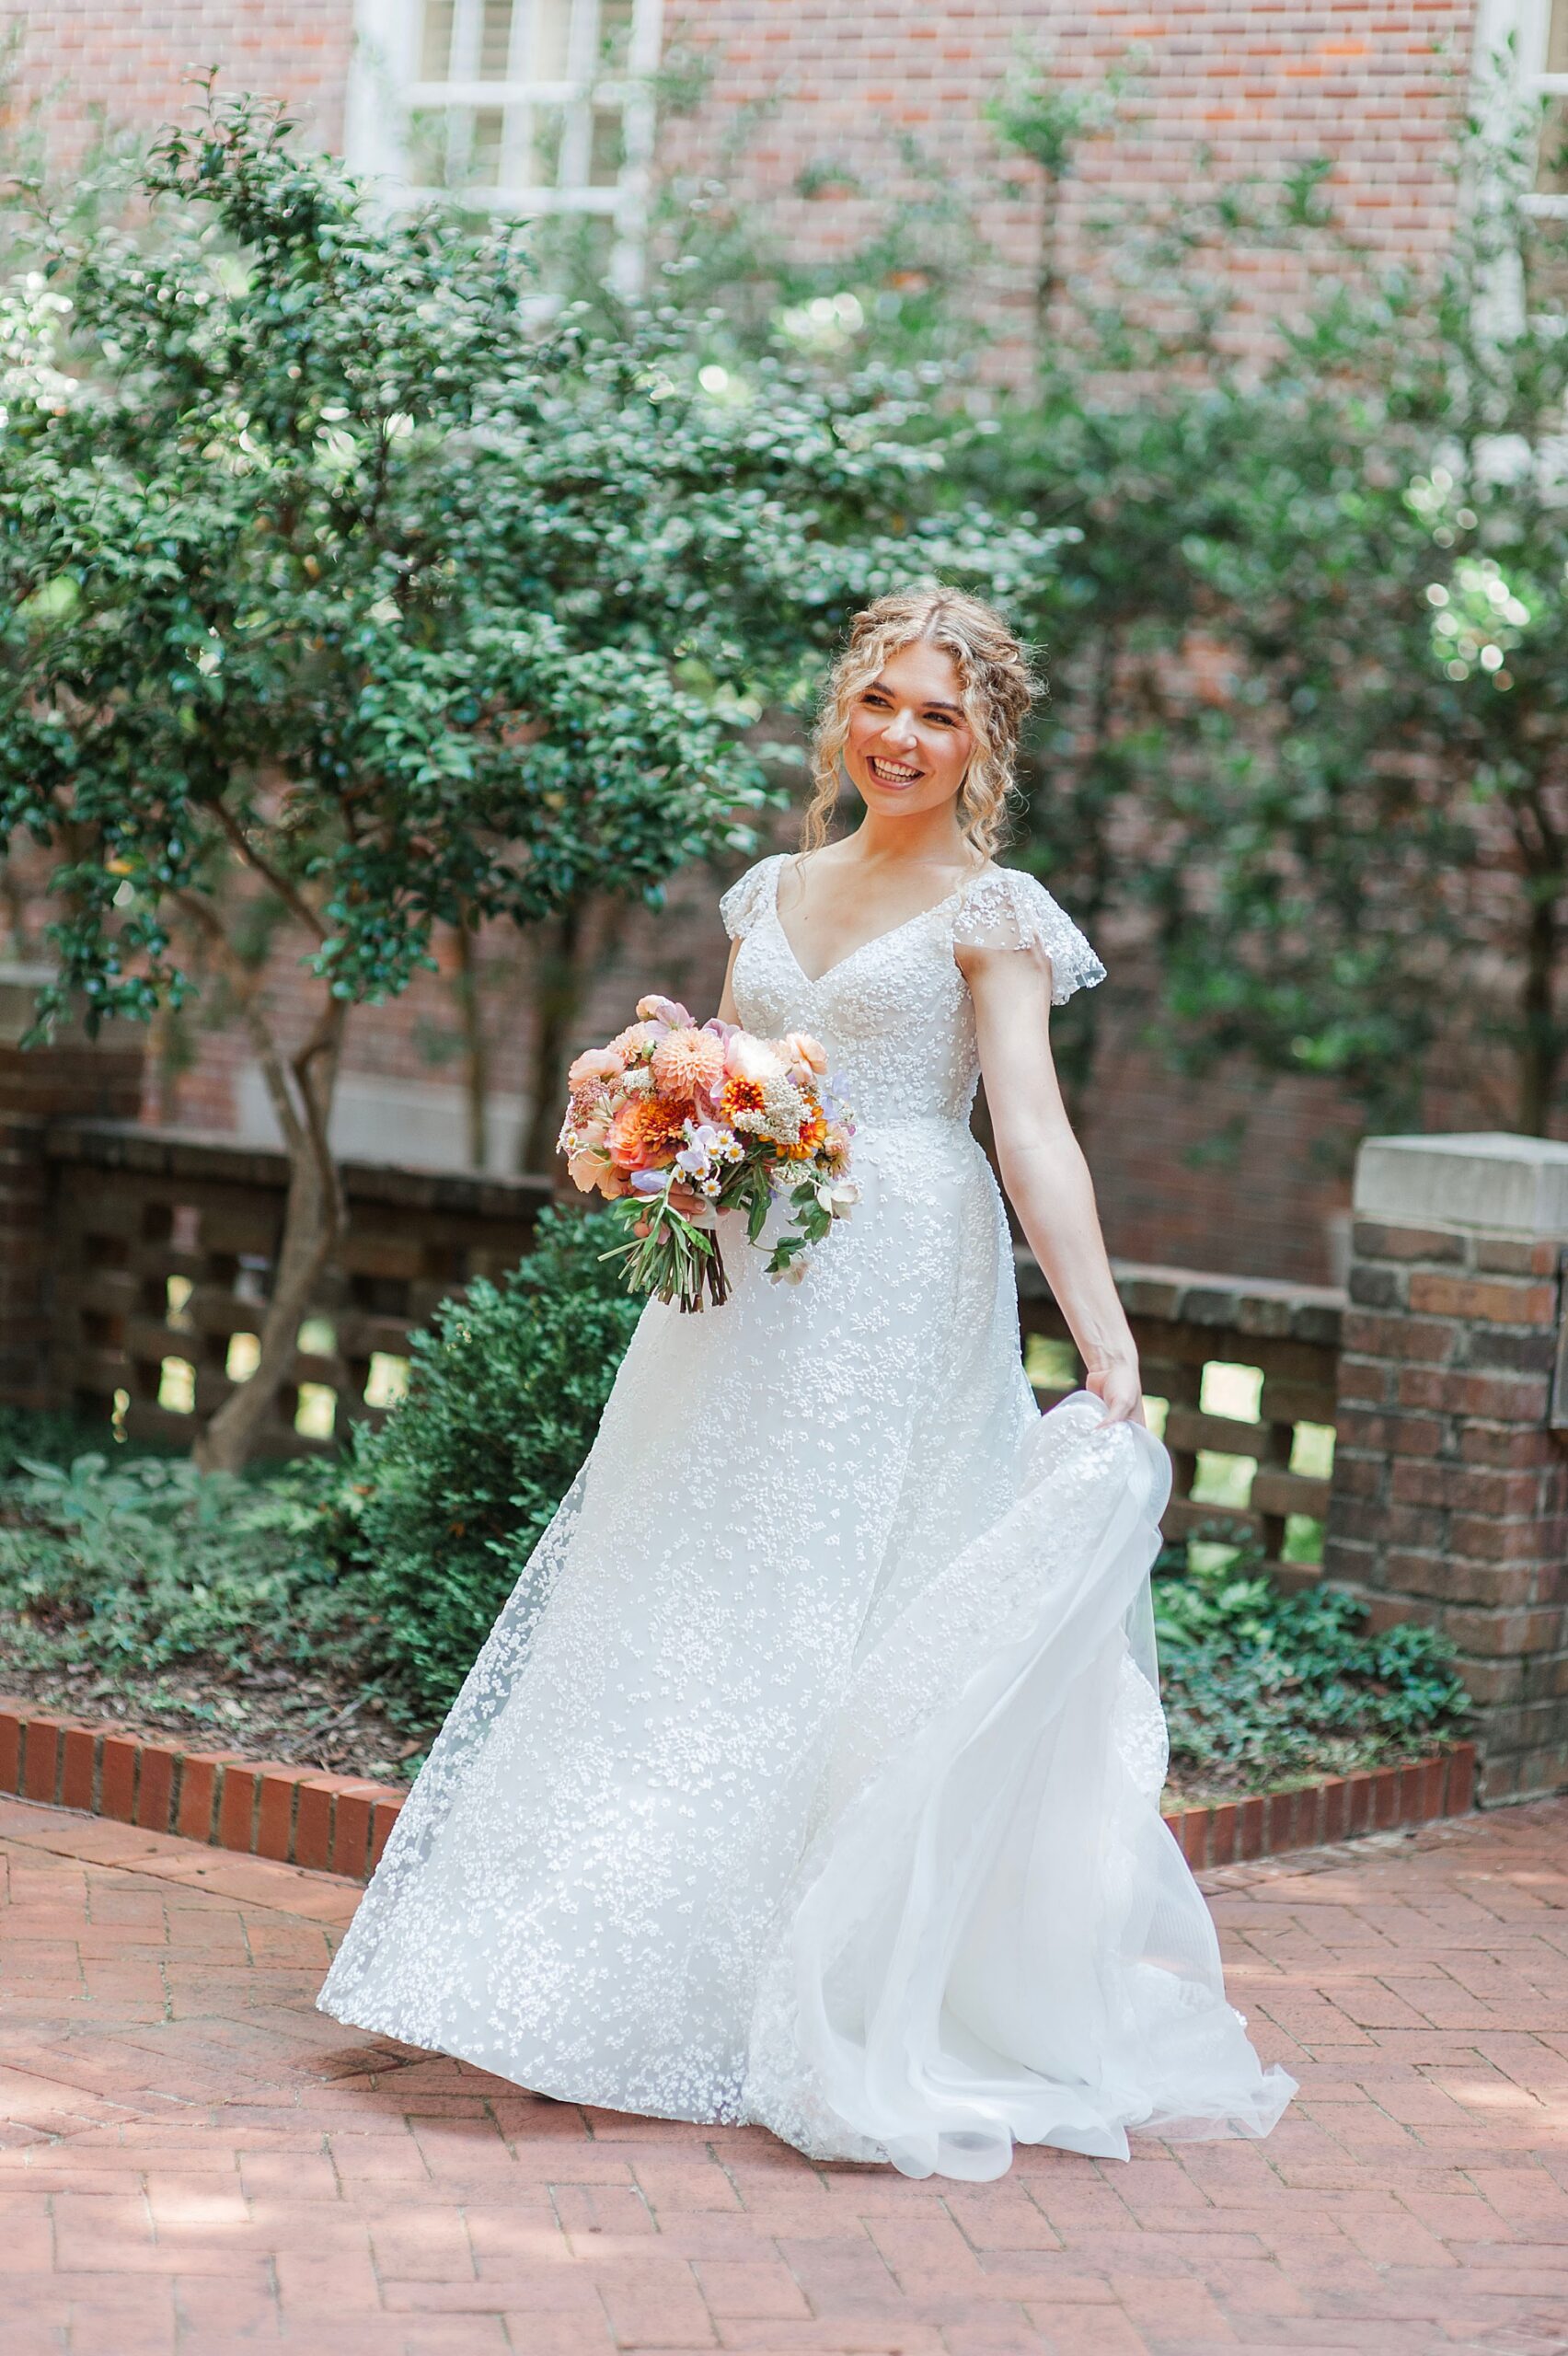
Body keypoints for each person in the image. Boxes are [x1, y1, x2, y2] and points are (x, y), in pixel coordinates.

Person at [318, 585, 1294, 2181]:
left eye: (940, 714)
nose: (903, 736)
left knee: (838, 1593)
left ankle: (801, 1983)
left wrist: (1103, 1332)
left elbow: (1029, 1128)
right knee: (677, 1580)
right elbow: (738, 1067)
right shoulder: (768, 887)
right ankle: (577, 1964)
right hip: (739, 1282)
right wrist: (667, 1133)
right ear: (845, 710)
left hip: (904, 1271)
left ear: (984, 742)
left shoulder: (995, 910)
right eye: (883, 703)